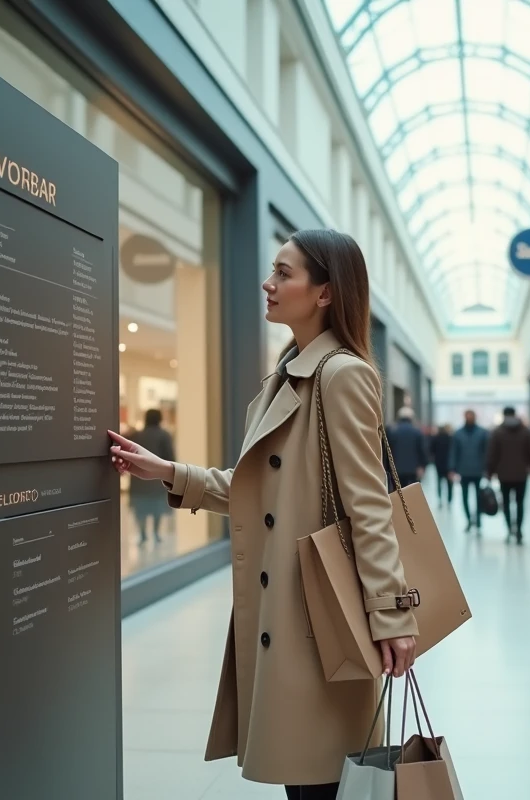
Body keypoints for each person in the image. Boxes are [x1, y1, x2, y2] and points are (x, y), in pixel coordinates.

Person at [108, 230, 418, 799]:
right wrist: (169, 472)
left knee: (322, 779)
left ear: (324, 293)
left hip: (318, 618)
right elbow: (260, 495)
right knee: (305, 780)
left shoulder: (342, 375)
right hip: (284, 612)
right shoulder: (286, 375)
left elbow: (368, 506)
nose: (268, 284)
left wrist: (393, 614)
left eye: (284, 273)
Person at [486, 406, 530, 543]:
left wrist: (490, 472)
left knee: (507, 503)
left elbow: (492, 454)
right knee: (520, 503)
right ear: (515, 415)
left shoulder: (497, 432)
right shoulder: (525, 431)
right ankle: (519, 530)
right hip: (521, 474)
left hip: (504, 474)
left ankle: (509, 529)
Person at [127, 408, 176, 543]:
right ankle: (156, 532)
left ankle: (142, 534)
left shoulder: (136, 435)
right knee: (157, 507)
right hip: (157, 477)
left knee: (140, 509)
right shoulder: (164, 435)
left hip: (138, 479)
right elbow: (170, 458)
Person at [448, 410, 489, 532]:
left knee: (478, 496)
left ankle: (478, 520)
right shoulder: (458, 434)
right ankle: (469, 520)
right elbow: (454, 452)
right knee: (465, 497)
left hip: (477, 470)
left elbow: (486, 452)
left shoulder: (482, 433)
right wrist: (452, 468)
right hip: (464, 470)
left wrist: (487, 468)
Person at [384, 407, 428, 489]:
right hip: (413, 469)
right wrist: (422, 466)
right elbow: (422, 451)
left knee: (398, 492)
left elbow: (387, 451)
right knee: (412, 493)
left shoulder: (392, 431)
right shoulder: (417, 432)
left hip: (396, 469)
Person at [429, 424, 453, 507]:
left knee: (439, 482)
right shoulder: (450, 438)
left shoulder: (436, 438)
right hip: (449, 464)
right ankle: (449, 500)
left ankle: (440, 499)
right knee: (449, 483)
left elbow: (431, 450)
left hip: (439, 463)